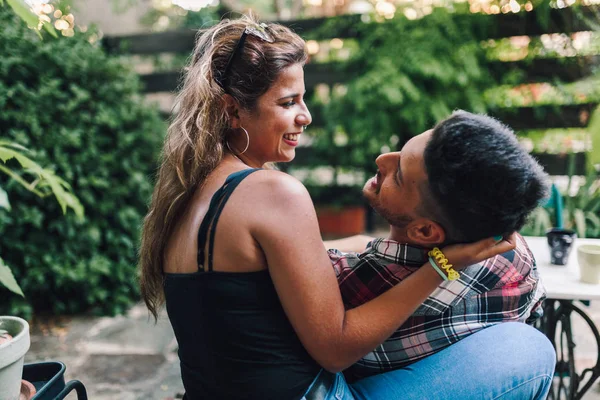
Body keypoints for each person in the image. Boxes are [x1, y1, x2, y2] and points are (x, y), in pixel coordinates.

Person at [138, 16, 555, 400]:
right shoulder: (274, 193)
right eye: (288, 103)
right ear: (231, 111)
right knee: (528, 350)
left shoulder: (192, 189)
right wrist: (444, 265)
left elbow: (307, 257)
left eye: (303, 99)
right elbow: (336, 348)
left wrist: (369, 244)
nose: (305, 116)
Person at [324, 111, 550, 380]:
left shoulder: (353, 279)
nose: (382, 159)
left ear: (424, 231)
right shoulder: (515, 257)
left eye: (398, 175)